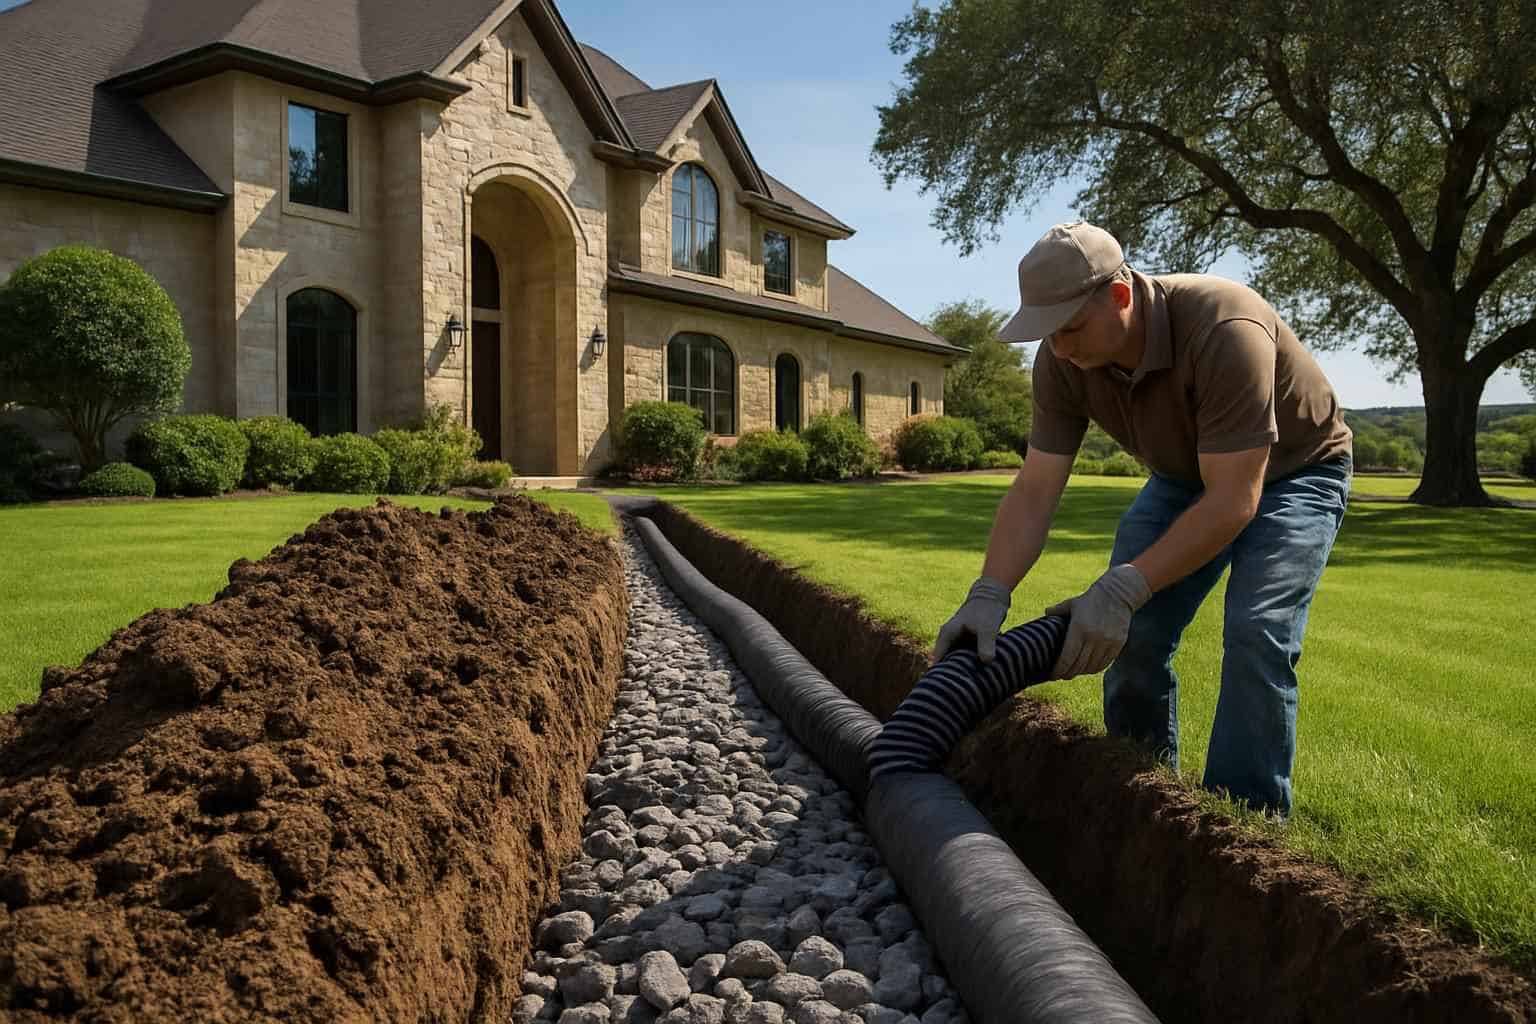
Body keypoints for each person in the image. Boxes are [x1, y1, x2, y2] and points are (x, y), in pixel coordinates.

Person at [932, 221, 1353, 817]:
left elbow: (1235, 499)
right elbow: (1035, 490)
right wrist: (988, 594)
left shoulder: (1224, 327)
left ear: (1121, 296)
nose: (1058, 349)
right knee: (1132, 634)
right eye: (1046, 334)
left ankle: (1245, 820)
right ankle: (1143, 799)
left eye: (1070, 328)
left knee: (1257, 629)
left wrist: (1124, 585)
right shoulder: (1063, 360)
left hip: (1296, 472)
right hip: (1182, 478)